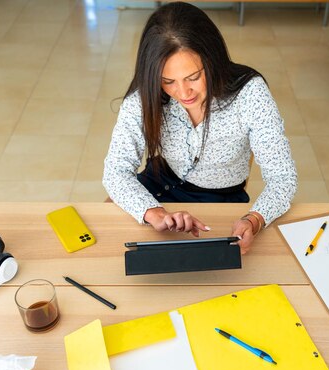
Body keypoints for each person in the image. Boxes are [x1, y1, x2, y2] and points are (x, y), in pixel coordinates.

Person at [103, 2, 297, 254]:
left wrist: (254, 219)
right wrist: (152, 212)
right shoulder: (146, 94)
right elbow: (115, 171)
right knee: (111, 246)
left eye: (193, 77)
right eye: (168, 81)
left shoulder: (250, 94)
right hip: (157, 182)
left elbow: (282, 179)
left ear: (212, 60)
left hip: (219, 199)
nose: (183, 93)